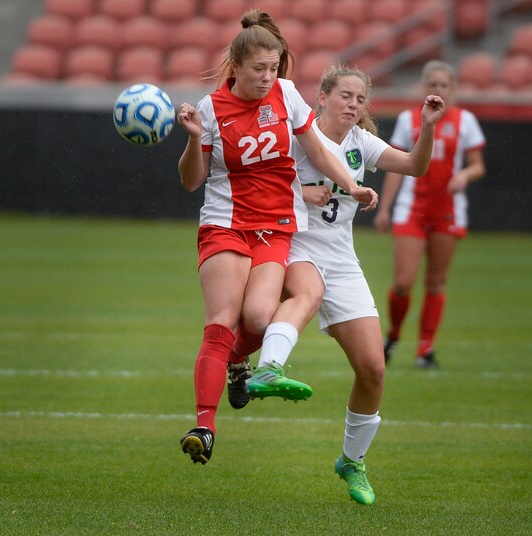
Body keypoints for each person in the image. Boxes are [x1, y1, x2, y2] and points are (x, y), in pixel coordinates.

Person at [230, 64, 445, 505]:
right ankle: (269, 368)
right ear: (322, 97)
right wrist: (299, 191)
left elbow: (413, 166)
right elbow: (253, 176)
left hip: (343, 259)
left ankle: (352, 461)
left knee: (373, 368)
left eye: (360, 99)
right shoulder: (296, 133)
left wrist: (427, 128)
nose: (353, 104)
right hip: (292, 243)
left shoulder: (361, 143)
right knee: (309, 292)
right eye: (345, 95)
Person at [175, 10, 378, 465]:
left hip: (276, 227)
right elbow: (192, 181)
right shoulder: (210, 109)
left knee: (261, 318)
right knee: (222, 321)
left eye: (274, 67)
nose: (268, 77)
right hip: (226, 222)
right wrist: (192, 140)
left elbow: (318, 151)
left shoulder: (287, 95)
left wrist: (351, 184)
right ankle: (204, 426)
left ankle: (235, 364)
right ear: (237, 67)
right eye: (259, 69)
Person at [374, 60, 486, 369]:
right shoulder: (408, 119)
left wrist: (464, 175)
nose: (437, 89)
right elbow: (397, 165)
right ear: (423, 88)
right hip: (412, 208)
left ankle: (425, 349)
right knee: (403, 283)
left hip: (448, 211)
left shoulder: (465, 121)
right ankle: (394, 335)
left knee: (436, 281)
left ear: (452, 89)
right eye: (432, 84)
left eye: (443, 85)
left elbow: (477, 164)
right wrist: (385, 208)